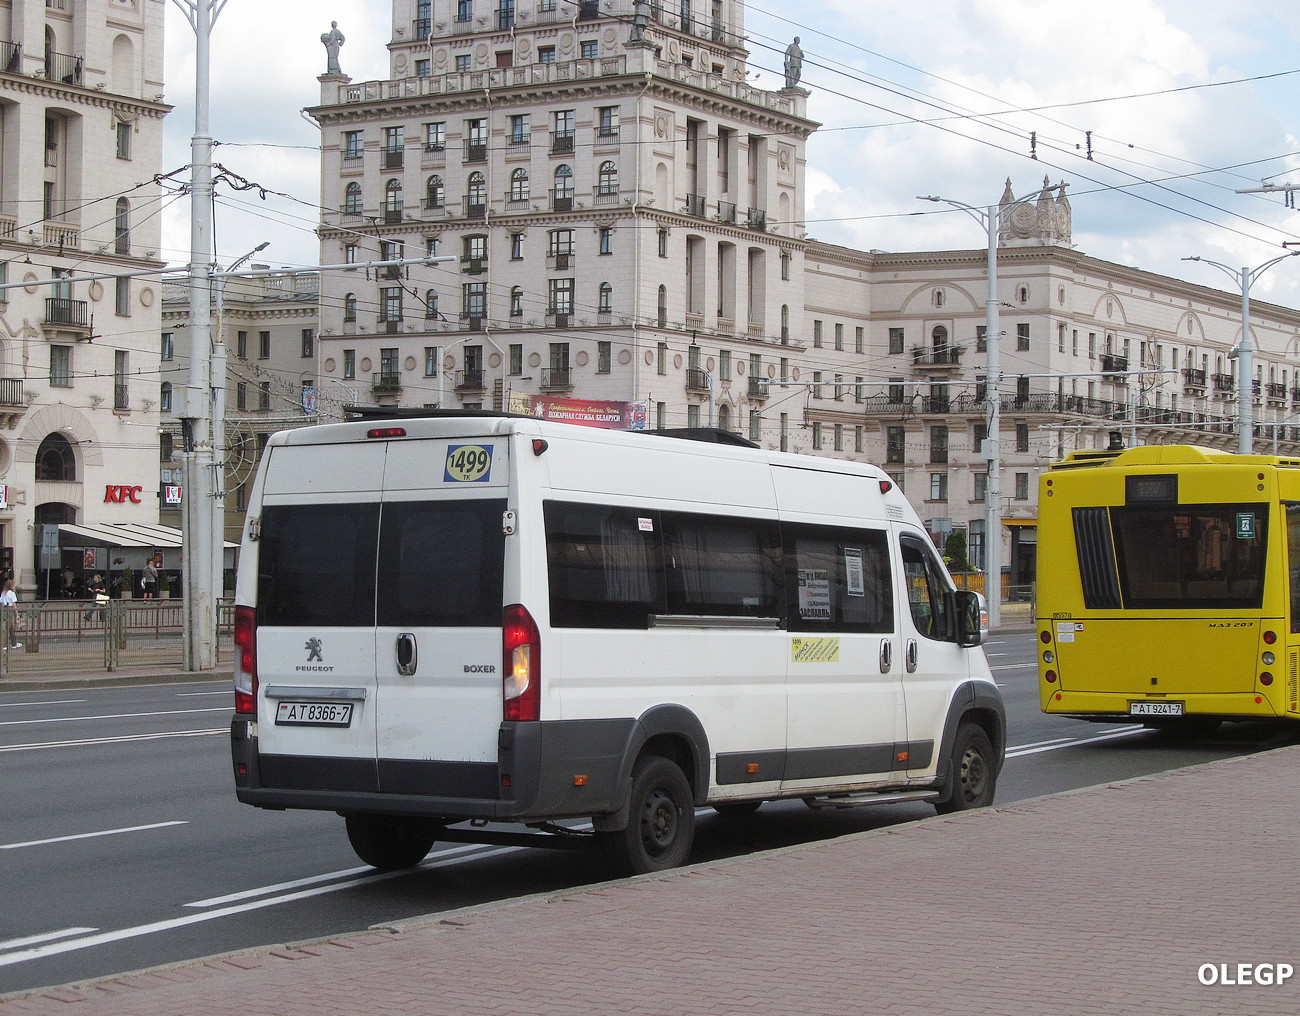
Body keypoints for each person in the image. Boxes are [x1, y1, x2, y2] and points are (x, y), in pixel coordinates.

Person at [1, 578, 21, 650]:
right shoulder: (12, 593)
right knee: (7, 627)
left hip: (4, 609)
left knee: (11, 627)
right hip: (10, 609)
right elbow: (14, 604)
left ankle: (14, 643)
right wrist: (17, 614)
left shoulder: (3, 593)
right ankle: (4, 645)